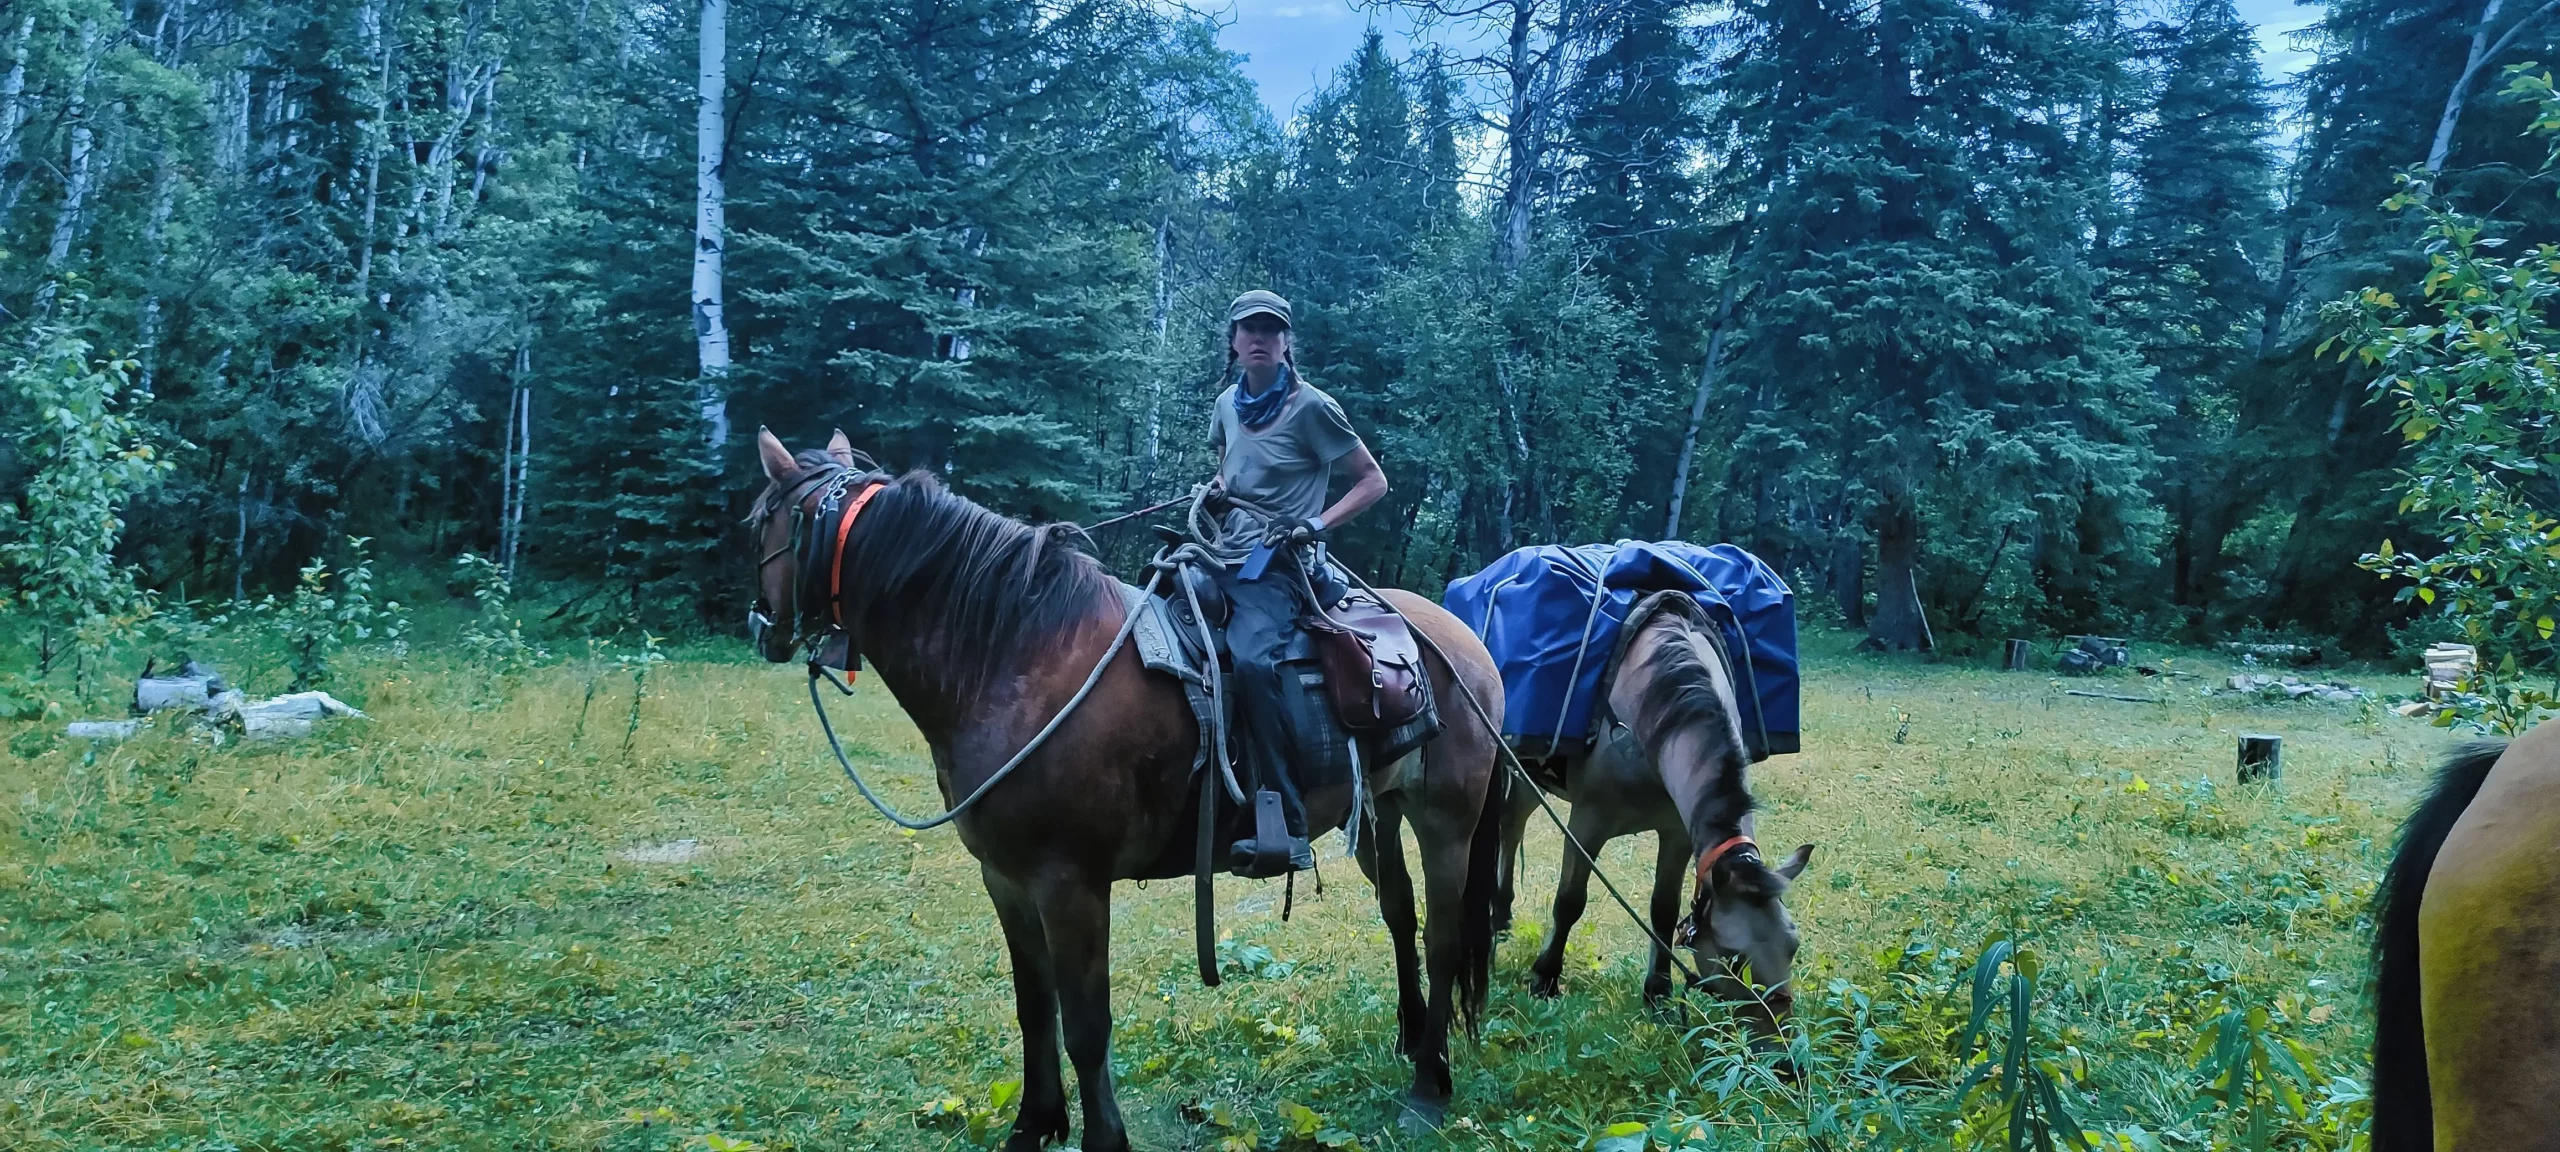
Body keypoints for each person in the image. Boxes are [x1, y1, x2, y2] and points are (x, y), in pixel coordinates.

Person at [1210, 289, 1389, 877]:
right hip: (1219, 553)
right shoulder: (1227, 406)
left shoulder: (1312, 407)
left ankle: (1288, 821)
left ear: (1286, 342)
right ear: (1234, 341)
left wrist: (1314, 525)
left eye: (1271, 329)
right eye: (1248, 329)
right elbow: (1230, 467)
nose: (1258, 338)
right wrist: (1213, 493)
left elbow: (1372, 481)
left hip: (1279, 565)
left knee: (1253, 660)